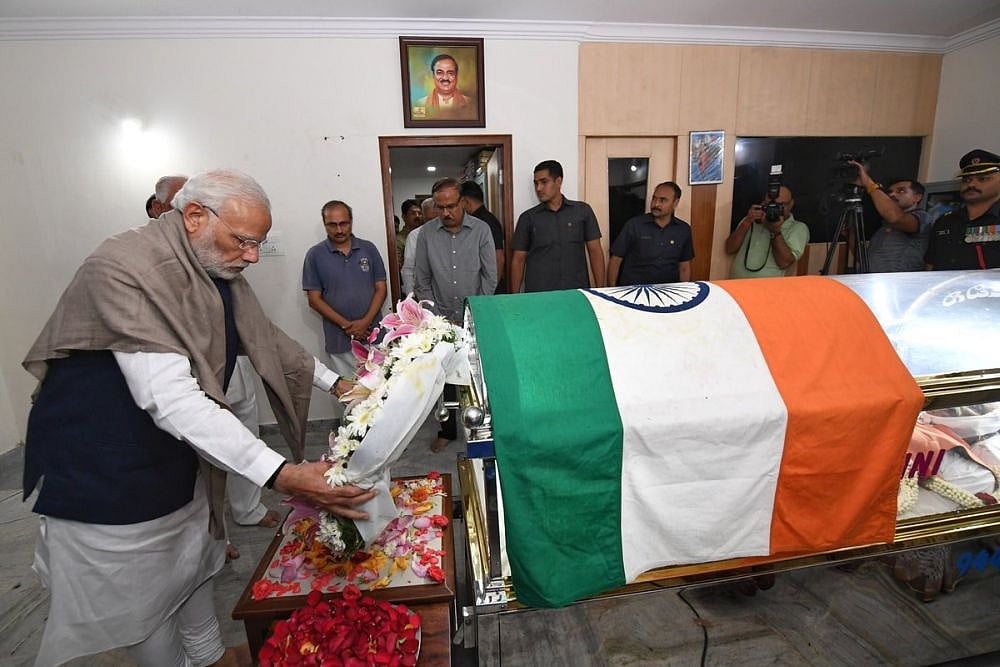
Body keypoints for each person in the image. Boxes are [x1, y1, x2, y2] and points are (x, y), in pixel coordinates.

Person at [22, 170, 376, 666]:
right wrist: (283, 474)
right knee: (148, 609)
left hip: (178, 458)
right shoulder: (124, 267)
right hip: (112, 474)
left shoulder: (213, 265)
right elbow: (171, 398)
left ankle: (209, 657)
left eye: (259, 243)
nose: (253, 256)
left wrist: (339, 384)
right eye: (245, 241)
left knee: (193, 571)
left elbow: (266, 338)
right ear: (193, 216)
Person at [415, 177, 497, 453]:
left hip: (475, 315)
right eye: (440, 207)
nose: (446, 213)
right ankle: (447, 430)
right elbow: (421, 280)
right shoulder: (427, 234)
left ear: (463, 202)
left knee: (479, 373)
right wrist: (436, 317)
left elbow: (490, 276)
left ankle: (485, 426)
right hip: (441, 318)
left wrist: (475, 312)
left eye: (451, 206)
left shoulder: (482, 230)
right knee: (446, 377)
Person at [302, 200, 388, 405]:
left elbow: (381, 288)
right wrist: (347, 326)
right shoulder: (315, 255)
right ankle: (357, 437)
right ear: (324, 225)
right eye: (332, 225)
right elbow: (314, 300)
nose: (339, 229)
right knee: (352, 397)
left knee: (384, 391)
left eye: (344, 223)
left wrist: (365, 323)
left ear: (351, 222)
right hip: (340, 340)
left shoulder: (368, 249)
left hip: (374, 335)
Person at [510, 160, 606, 292]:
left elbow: (595, 252)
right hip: (539, 295)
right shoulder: (528, 218)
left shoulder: (582, 211)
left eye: (544, 182)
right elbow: (518, 260)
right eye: (536, 183)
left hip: (575, 293)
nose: (538, 188)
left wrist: (600, 291)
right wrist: (514, 298)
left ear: (558, 181)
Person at [849, 161, 931, 273]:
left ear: (917, 197)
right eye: (890, 192)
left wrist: (869, 184)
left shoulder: (922, 217)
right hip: (870, 284)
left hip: (897, 287)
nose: (892, 195)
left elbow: (896, 218)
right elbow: (865, 260)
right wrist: (851, 235)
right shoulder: (884, 226)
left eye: (901, 191)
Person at [926, 149, 1000, 271]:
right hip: (945, 288)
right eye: (966, 180)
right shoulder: (945, 221)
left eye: (982, 179)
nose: (971, 184)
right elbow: (930, 264)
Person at [608, 181, 693, 286]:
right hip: (634, 290)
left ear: (675, 203)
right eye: (654, 198)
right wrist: (612, 292)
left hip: (668, 291)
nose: (656, 204)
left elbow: (684, 267)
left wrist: (683, 293)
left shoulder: (683, 229)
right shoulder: (634, 225)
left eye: (663, 200)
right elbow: (615, 260)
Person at [725, 185, 809, 278]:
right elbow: (729, 249)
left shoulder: (798, 228)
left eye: (780, 205)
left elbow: (784, 263)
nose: (774, 209)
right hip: (736, 285)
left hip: (766, 289)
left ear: (791, 204)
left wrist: (775, 231)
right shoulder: (751, 220)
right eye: (770, 204)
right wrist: (747, 221)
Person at [460, 180, 505, 292]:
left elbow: (498, 258)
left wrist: (490, 291)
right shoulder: (486, 218)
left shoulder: (483, 223)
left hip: (487, 291)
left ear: (465, 201)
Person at [412, 54, 475, 120]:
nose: (445, 77)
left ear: (456, 76)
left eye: (450, 73)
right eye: (440, 73)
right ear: (433, 76)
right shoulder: (421, 104)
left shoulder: (470, 103)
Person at [401, 197, 438, 297]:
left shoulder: (451, 234)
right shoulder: (415, 236)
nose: (433, 223)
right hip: (423, 295)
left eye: (436, 218)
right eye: (429, 219)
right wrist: (411, 297)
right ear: (424, 217)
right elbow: (408, 269)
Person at [396, 199, 423, 282]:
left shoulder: (425, 235)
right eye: (413, 213)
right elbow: (398, 267)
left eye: (419, 213)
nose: (417, 216)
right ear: (404, 217)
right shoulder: (398, 240)